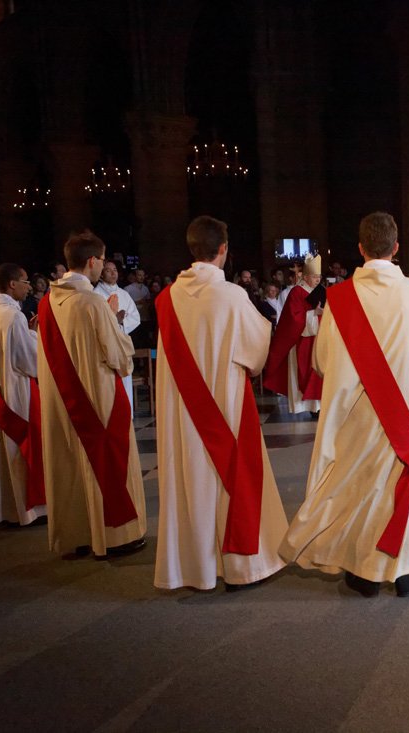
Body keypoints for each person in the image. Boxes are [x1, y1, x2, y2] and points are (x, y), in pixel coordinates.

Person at [281, 211, 409, 598]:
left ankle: (362, 572)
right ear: (396, 247)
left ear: (360, 248)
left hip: (354, 414)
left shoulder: (339, 299)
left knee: (358, 488)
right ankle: (402, 570)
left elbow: (322, 361)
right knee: (395, 485)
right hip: (401, 413)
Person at [154, 216, 288, 591]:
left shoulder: (166, 299)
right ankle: (242, 565)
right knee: (231, 473)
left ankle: (193, 565)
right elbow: (256, 352)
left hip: (182, 407)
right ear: (224, 250)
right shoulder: (231, 295)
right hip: (224, 402)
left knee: (189, 475)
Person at [37, 230, 146, 558]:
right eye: (102, 259)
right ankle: (116, 536)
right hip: (98, 398)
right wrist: (114, 320)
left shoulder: (47, 302)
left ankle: (80, 533)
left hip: (62, 400)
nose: (103, 266)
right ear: (92, 261)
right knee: (108, 459)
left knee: (70, 462)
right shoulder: (92, 303)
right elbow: (119, 356)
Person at [0, 263, 46, 526]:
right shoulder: (11, 315)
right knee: (19, 449)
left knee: (1, 450)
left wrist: (28, 334)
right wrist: (37, 335)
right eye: (26, 281)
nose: (29, 286)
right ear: (12, 284)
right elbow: (29, 360)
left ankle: (4, 508)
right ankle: (26, 510)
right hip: (15, 390)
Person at [263, 255, 323, 414]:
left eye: (319, 277)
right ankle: (307, 407)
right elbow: (294, 319)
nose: (317, 280)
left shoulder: (318, 291)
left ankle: (318, 407)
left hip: (317, 340)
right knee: (303, 373)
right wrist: (314, 313)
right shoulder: (296, 292)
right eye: (314, 277)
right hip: (300, 341)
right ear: (306, 276)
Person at [94, 260, 140, 408]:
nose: (113, 273)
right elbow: (96, 321)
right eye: (108, 270)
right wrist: (114, 319)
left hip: (122, 343)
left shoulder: (124, 294)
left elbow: (135, 317)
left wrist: (121, 323)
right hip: (105, 346)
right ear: (101, 274)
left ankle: (127, 416)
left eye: (115, 270)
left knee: (125, 384)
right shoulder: (96, 295)